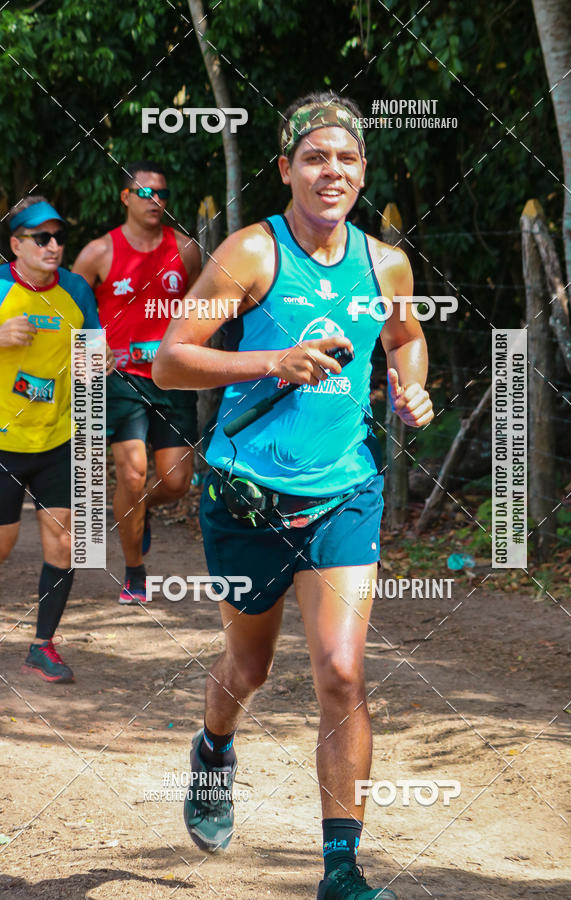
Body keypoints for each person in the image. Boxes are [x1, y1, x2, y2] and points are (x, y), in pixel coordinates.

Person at [153, 93, 434, 899]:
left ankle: (340, 872)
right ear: (286, 169)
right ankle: (213, 750)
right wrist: (273, 362)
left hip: (344, 491)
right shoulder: (250, 254)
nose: (331, 171)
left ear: (363, 172)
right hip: (247, 497)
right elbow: (171, 359)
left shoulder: (386, 264)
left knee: (342, 673)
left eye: (346, 159)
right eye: (314, 157)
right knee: (248, 666)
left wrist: (410, 388)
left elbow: (408, 340)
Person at [72, 161, 202, 604]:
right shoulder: (97, 253)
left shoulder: (185, 250)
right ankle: (135, 573)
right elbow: (68, 309)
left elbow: (201, 311)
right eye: (145, 193)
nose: (156, 201)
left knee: (177, 482)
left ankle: (138, 514)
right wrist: (88, 353)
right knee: (131, 473)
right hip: (120, 379)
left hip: (173, 378)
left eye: (162, 194)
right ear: (125, 197)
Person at [0, 196, 110, 683]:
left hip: (61, 440)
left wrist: (98, 362)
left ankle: (41, 647)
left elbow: (91, 353)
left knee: (65, 545)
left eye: (59, 237)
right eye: (41, 238)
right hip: (3, 441)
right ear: (15, 245)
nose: (53, 246)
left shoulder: (77, 290)